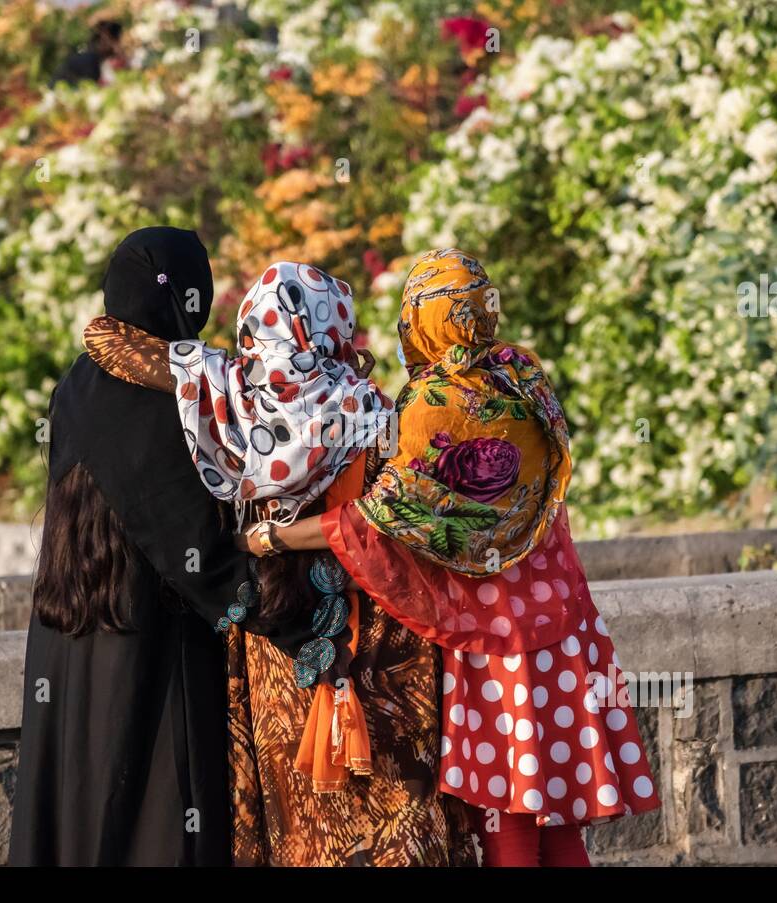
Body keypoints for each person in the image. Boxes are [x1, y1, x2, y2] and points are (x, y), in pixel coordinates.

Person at [251, 249, 662, 866]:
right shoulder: (523, 376)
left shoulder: (431, 408)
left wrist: (271, 539)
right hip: (567, 627)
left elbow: (378, 522)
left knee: (508, 821)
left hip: (493, 645)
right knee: (559, 823)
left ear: (423, 321)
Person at [81, 261, 476, 866]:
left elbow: (129, 351)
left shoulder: (227, 410)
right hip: (381, 647)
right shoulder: (371, 410)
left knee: (300, 824)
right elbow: (403, 527)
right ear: (331, 326)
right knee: (399, 813)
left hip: (281, 652)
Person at [8, 228, 313, 866]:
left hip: (71, 636)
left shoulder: (81, 383)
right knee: (154, 816)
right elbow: (196, 550)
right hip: (148, 641)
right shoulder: (160, 399)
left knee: (80, 809)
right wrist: (304, 611)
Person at [51, 19, 122, 87]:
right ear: (105, 38)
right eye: (116, 42)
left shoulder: (95, 59)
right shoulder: (89, 61)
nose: (118, 48)